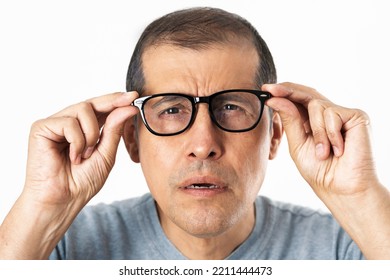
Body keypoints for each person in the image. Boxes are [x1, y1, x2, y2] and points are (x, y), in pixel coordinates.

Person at [0, 7, 389, 260]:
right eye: (171, 109)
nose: (203, 144)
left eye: (231, 107)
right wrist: (44, 207)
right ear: (132, 139)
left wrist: (359, 197)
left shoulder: (348, 248)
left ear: (274, 135)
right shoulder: (59, 245)